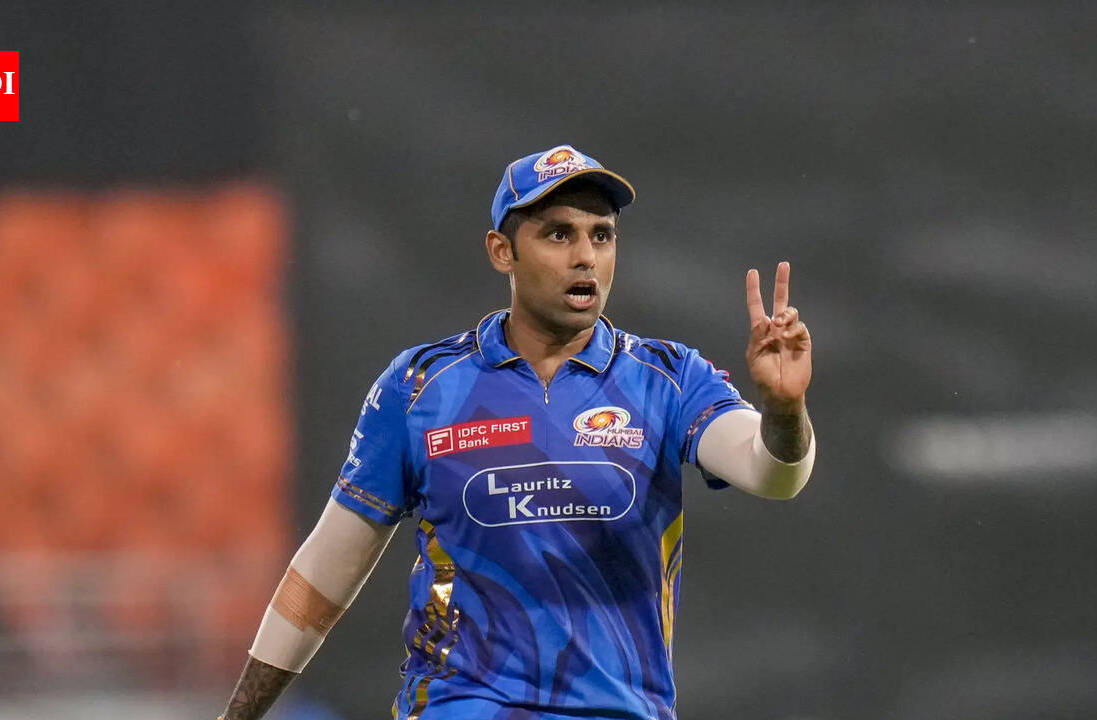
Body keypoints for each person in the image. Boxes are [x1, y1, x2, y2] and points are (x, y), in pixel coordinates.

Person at [219, 145, 816, 720]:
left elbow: (773, 474)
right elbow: (322, 575)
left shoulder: (668, 378)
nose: (585, 257)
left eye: (601, 235)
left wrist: (785, 409)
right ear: (502, 251)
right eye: (558, 234)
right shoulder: (419, 387)